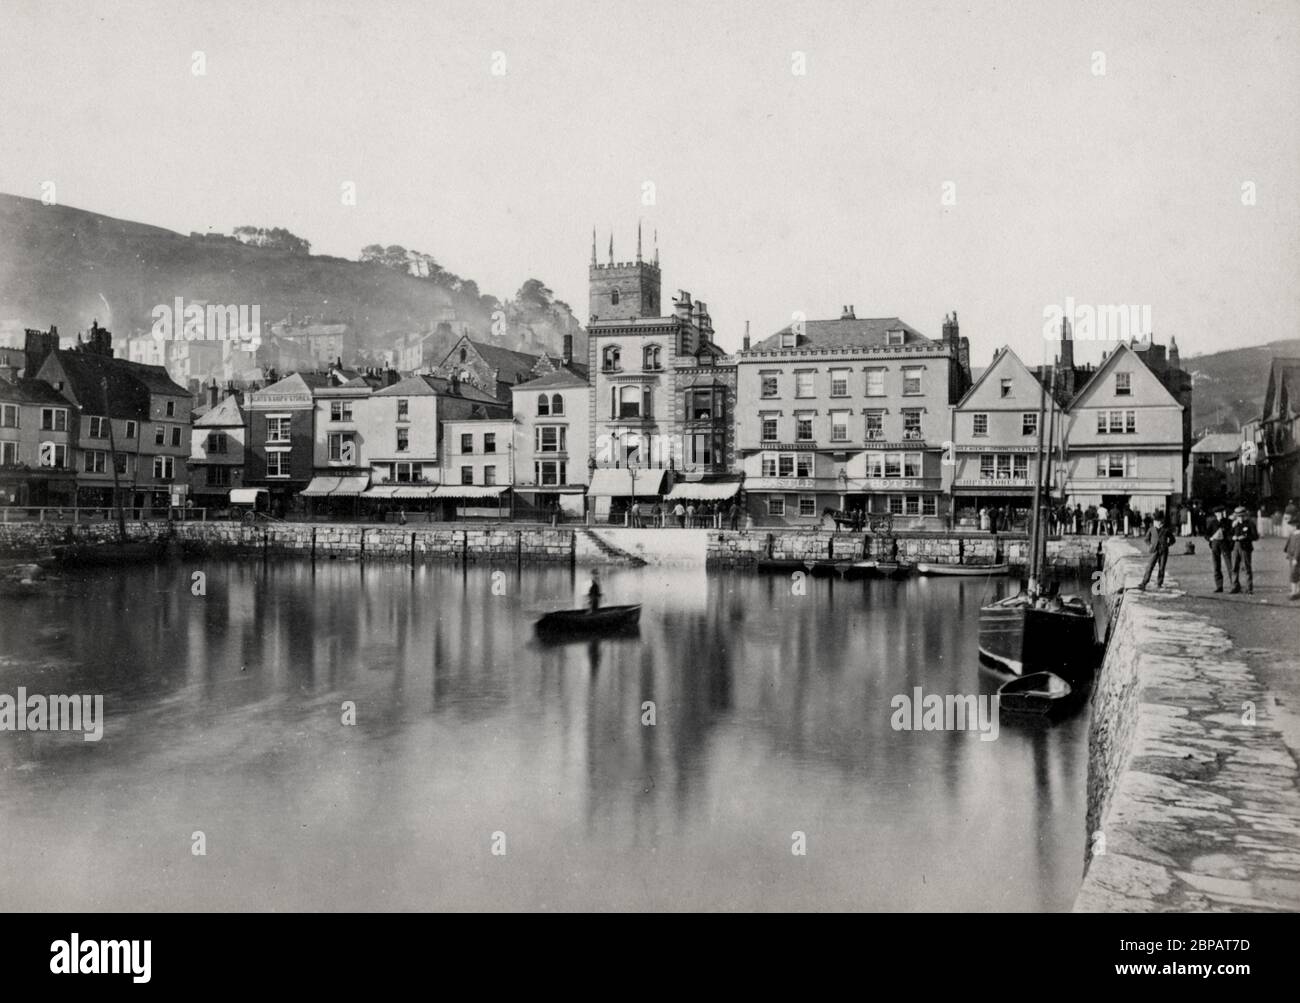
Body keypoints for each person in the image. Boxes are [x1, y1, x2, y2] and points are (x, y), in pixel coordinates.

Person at [1137, 512, 1176, 590]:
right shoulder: (1151, 529)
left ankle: (1159, 583)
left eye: (1159, 521)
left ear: (1162, 521)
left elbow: (1173, 540)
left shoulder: (1166, 529)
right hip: (1154, 550)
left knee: (1161, 568)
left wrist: (1168, 544)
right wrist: (1150, 545)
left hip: (1163, 550)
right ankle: (1144, 583)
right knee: (1150, 566)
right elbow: (1146, 539)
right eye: (1156, 521)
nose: (1158, 522)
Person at [1229, 505, 1258, 594]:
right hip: (1235, 546)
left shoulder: (1250, 524)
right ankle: (1235, 586)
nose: (1240, 518)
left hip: (1245, 547)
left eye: (1241, 516)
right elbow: (1228, 535)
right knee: (1234, 567)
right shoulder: (1234, 524)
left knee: (1246, 567)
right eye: (1238, 516)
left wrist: (1245, 537)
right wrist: (1232, 537)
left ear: (1245, 515)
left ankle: (1249, 588)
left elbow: (1255, 536)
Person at [1203, 503, 1229, 592]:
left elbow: (1230, 533)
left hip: (1225, 545)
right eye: (1218, 513)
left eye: (1221, 513)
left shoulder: (1227, 522)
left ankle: (1234, 585)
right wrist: (1210, 538)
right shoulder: (1213, 523)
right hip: (1215, 545)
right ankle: (1219, 586)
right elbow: (1206, 534)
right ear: (1215, 514)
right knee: (1216, 566)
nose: (1220, 515)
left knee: (1229, 565)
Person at [1285, 524, 1300, 600]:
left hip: (1296, 558)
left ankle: (1294, 592)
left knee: (1294, 574)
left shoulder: (1298, 536)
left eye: (1291, 526)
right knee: (1294, 573)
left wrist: (1295, 558)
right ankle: (1296, 591)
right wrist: (1288, 553)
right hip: (1292, 557)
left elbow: (1298, 547)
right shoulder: (1292, 534)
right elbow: (1288, 545)